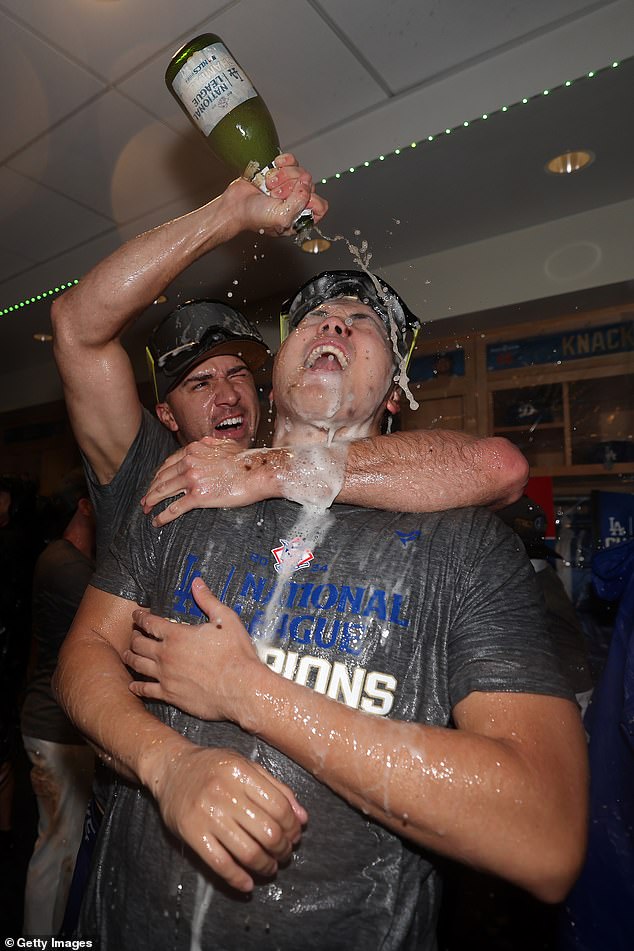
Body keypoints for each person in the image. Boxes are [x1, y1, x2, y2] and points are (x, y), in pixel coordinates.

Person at [55, 270, 588, 949]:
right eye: (313, 317)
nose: (334, 323)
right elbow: (82, 657)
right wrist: (169, 764)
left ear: (396, 391)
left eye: (362, 321)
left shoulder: (464, 547)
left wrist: (250, 692)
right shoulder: (185, 493)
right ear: (273, 380)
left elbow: (544, 830)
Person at [50, 152, 528, 566]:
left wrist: (264, 468)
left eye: (239, 373)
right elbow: (76, 326)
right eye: (199, 383)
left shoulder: (399, 500)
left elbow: (496, 467)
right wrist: (228, 214)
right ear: (166, 413)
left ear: (269, 393)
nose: (228, 395)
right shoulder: (154, 471)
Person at [20, 470, 96, 936]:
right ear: (85, 506)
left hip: (55, 723)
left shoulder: (70, 559)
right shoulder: (64, 564)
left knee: (61, 846)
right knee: (57, 847)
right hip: (55, 728)